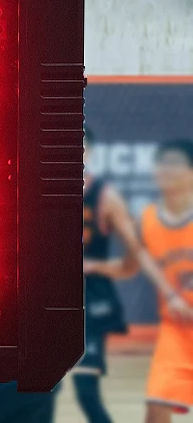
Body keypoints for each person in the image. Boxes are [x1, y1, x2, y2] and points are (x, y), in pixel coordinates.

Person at [72, 127, 140, 423]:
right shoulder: (36, 191)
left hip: (90, 302)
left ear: (91, 153)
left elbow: (133, 261)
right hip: (44, 301)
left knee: (87, 392)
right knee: (30, 396)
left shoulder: (106, 197)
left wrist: (96, 266)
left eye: (81, 147)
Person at [139, 140, 193, 423]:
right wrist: (171, 295)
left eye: (174, 162)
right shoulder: (149, 218)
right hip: (178, 330)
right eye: (161, 162)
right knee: (156, 407)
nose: (165, 169)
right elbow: (143, 254)